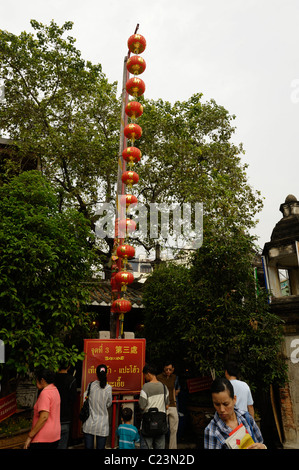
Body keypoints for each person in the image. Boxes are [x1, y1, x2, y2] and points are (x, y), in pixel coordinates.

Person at [204, 377, 266, 449]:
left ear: (234, 399)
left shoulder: (246, 417)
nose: (222, 409)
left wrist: (262, 447)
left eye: (226, 404)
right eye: (217, 404)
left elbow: (260, 442)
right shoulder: (212, 431)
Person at [24, 368, 61, 449]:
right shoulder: (55, 390)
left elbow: (44, 417)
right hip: (55, 435)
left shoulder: (45, 393)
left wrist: (30, 436)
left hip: (42, 437)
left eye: (37, 380)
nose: (36, 383)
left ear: (42, 380)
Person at [139, 364, 169, 449]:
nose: (145, 378)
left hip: (148, 423)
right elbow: (167, 406)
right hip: (160, 423)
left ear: (148, 373)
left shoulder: (145, 387)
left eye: (145, 375)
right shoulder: (164, 387)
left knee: (146, 446)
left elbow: (142, 406)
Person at [82, 364, 112, 449]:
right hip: (102, 425)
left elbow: (85, 400)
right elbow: (108, 404)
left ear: (96, 374)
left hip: (89, 423)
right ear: (106, 373)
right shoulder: (108, 388)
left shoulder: (91, 385)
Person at [157, 361, 180, 449]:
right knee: (162, 428)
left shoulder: (174, 377)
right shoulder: (159, 377)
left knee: (174, 429)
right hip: (163, 405)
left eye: (170, 369)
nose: (168, 371)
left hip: (173, 405)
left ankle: (173, 447)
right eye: (166, 369)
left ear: (173, 369)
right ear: (164, 369)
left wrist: (175, 402)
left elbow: (175, 389)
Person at [55, 363, 77, 449]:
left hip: (52, 418)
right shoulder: (71, 380)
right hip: (65, 417)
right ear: (69, 366)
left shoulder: (52, 378)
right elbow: (73, 399)